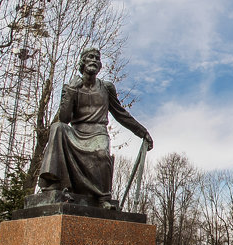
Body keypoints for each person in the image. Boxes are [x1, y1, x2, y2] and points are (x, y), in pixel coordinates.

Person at [36, 48, 153, 208]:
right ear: (82, 62)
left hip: (98, 132)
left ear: (100, 65)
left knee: (101, 153)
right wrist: (71, 91)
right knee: (58, 128)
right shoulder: (71, 87)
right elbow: (64, 119)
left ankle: (103, 198)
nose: (94, 60)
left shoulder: (106, 88)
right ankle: (55, 185)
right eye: (90, 57)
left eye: (97, 58)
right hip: (77, 132)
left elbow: (120, 113)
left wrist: (142, 132)